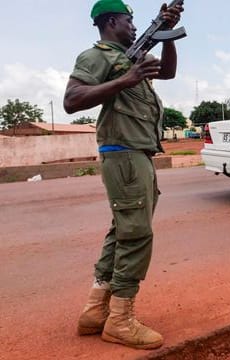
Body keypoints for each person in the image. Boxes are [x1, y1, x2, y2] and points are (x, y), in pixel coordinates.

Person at [63, 0, 183, 349]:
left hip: (136, 153)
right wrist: (125, 79)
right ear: (112, 21)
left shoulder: (131, 54)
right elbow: (72, 99)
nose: (133, 26)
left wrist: (166, 34)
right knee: (137, 234)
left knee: (123, 229)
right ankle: (120, 320)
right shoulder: (96, 56)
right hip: (124, 154)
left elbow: (169, 73)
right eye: (130, 20)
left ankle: (95, 310)